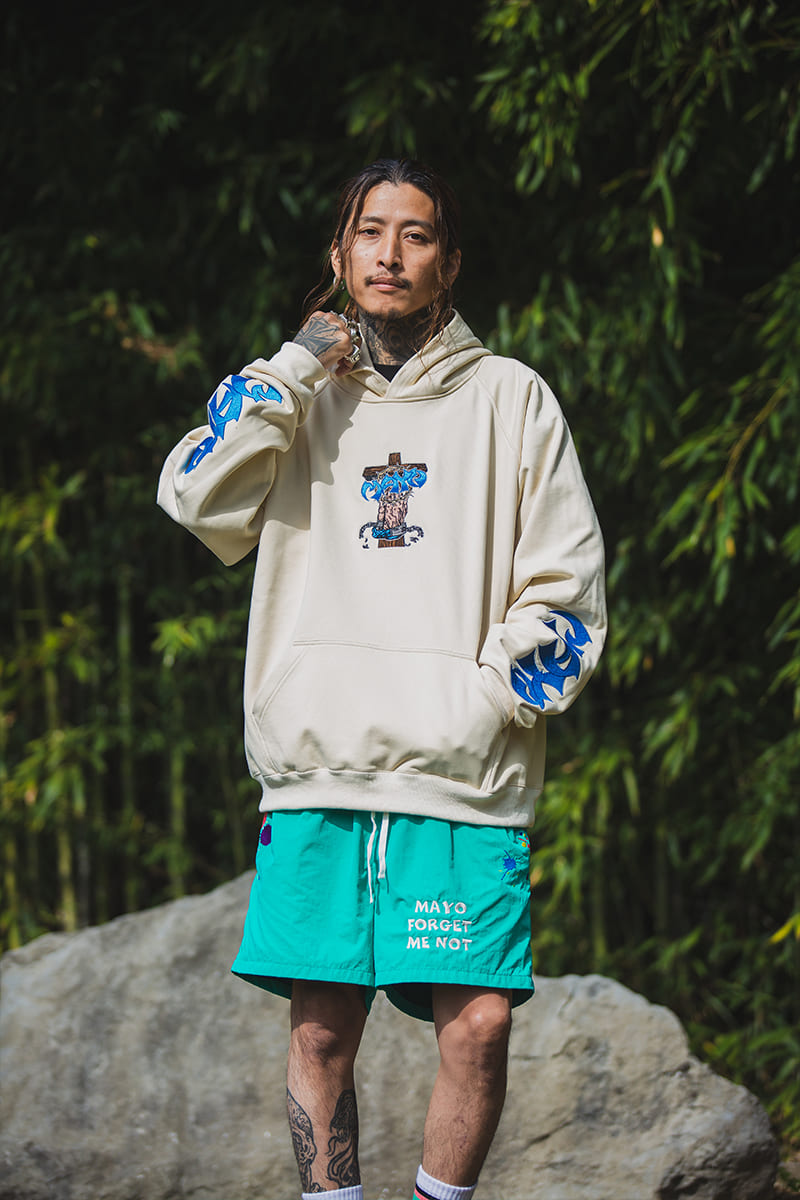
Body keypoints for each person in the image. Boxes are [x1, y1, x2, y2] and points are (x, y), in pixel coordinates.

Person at [157, 158, 606, 1200]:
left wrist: (483, 703)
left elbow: (568, 593)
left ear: (449, 261)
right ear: (339, 253)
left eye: (415, 234)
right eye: (369, 231)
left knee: (479, 1025)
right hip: (318, 763)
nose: (390, 254)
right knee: (320, 1030)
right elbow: (192, 496)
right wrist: (290, 368)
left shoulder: (511, 398)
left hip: (459, 775)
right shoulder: (292, 397)